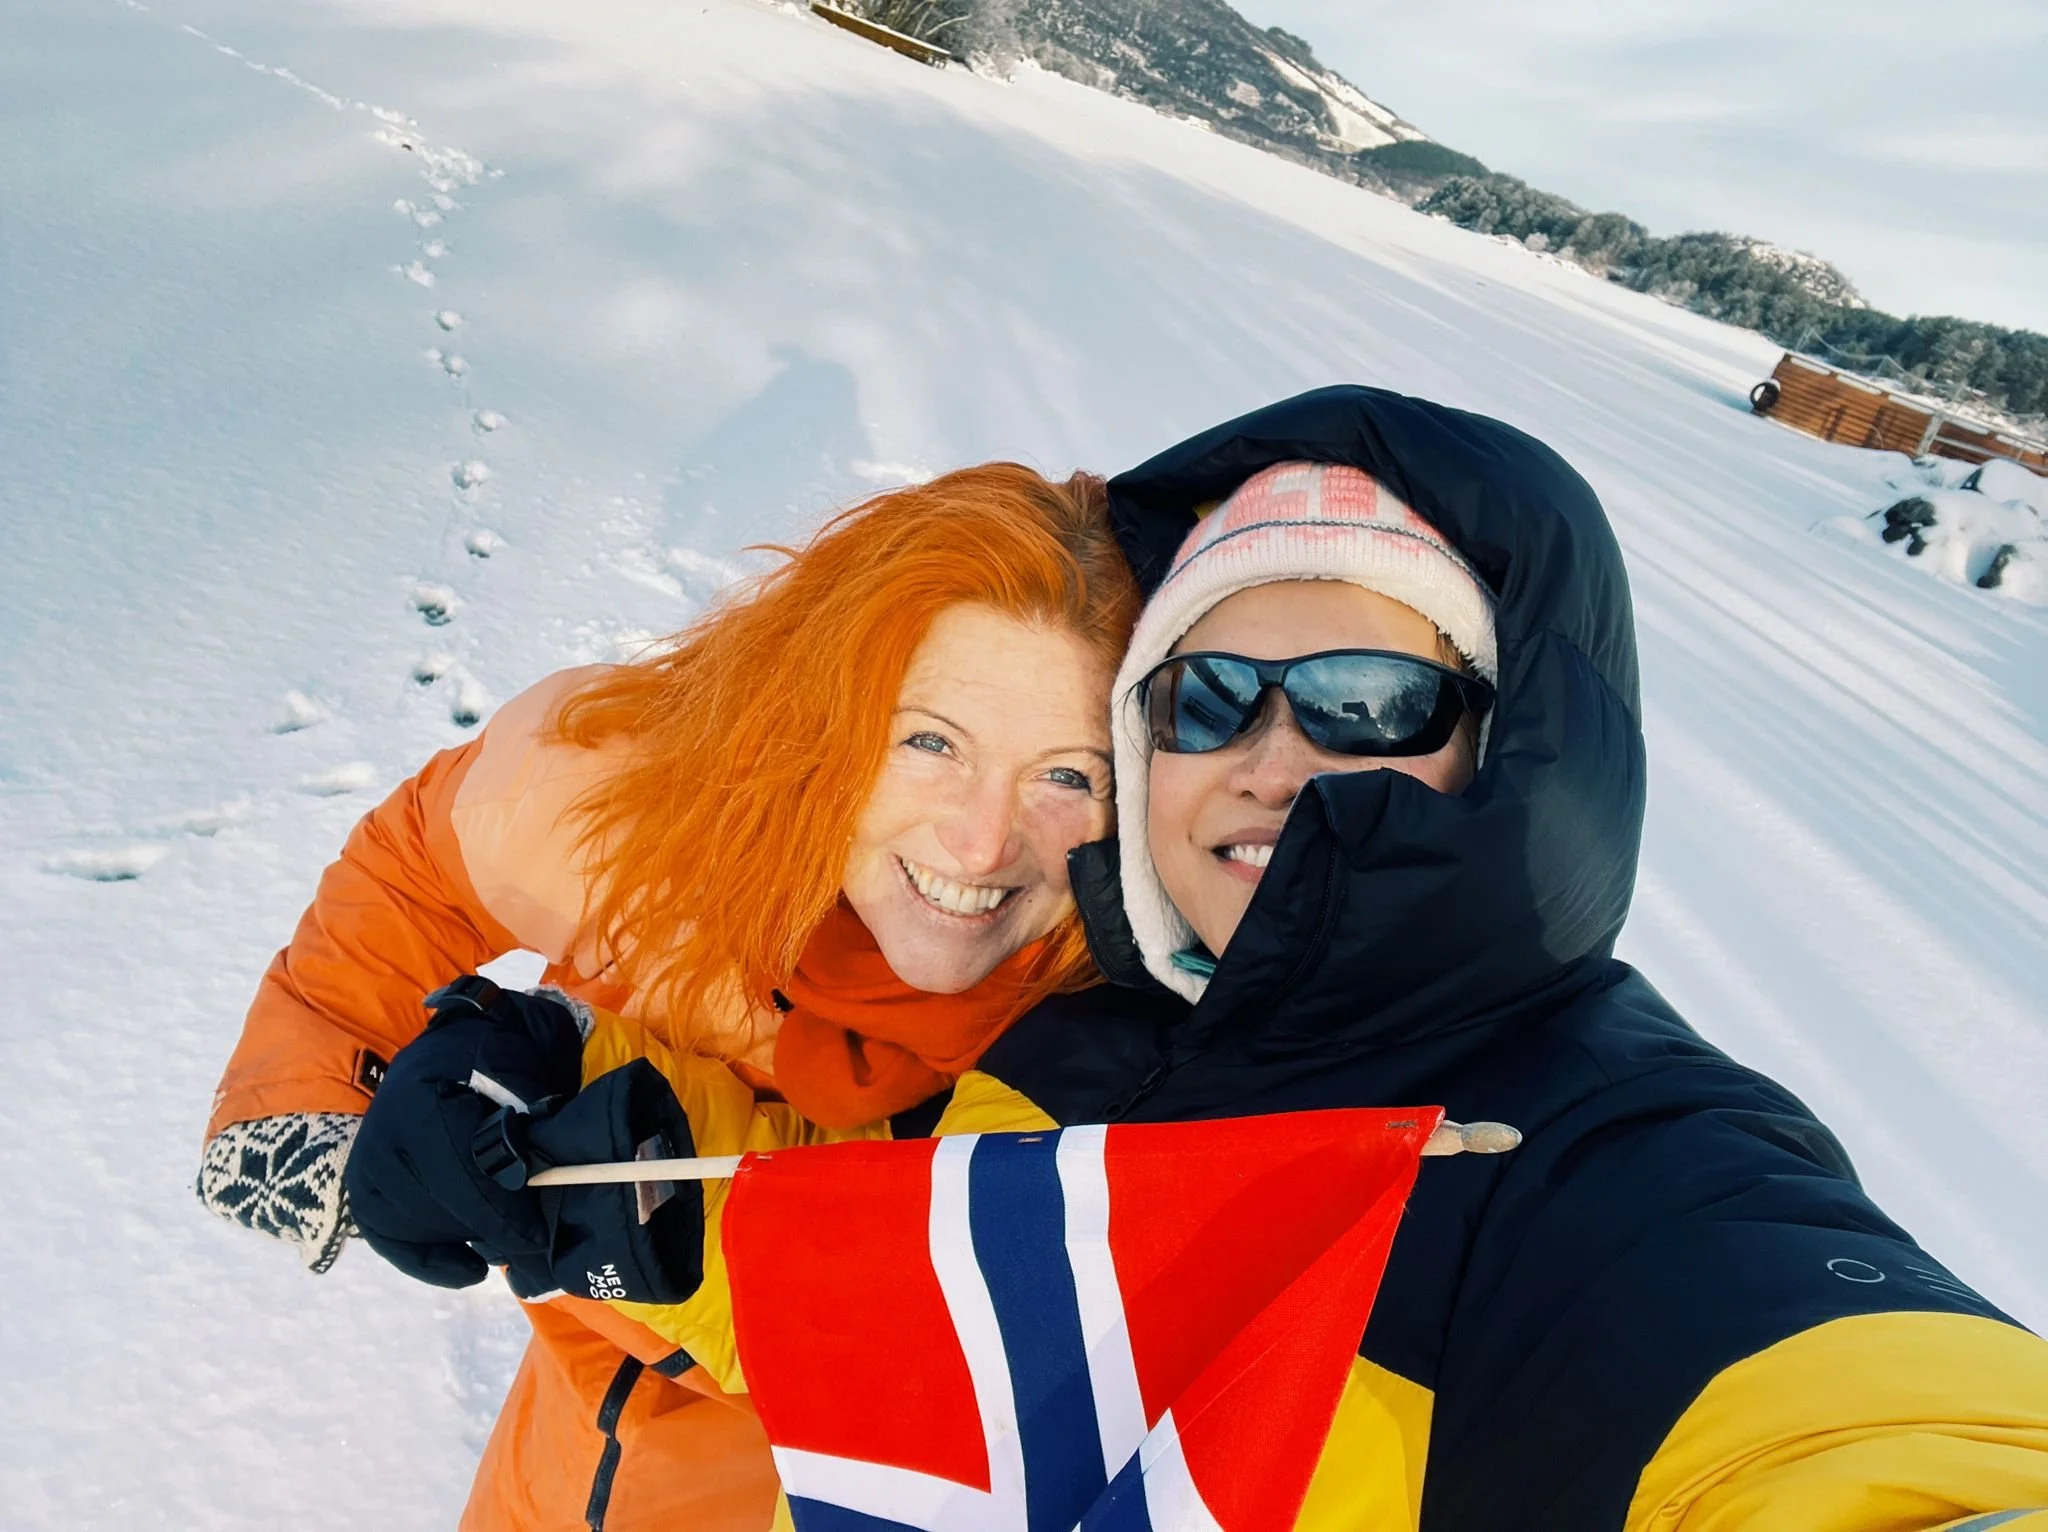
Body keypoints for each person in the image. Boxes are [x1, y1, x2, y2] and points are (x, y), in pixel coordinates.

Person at [603, 387, 2048, 1528]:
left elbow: (1856, 1411)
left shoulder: (1616, 1148)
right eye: (1208, 696)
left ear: (1504, 748)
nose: (1273, 760)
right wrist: (634, 1188)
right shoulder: (1083, 1036)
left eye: (1367, 702)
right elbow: (919, 1344)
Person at [195, 463, 1140, 1530]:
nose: (981, 841)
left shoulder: (1139, 1052)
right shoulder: (649, 814)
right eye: (929, 741)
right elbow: (425, 859)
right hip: (571, 1424)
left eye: (1069, 775)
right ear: (825, 715)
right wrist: (316, 1099)